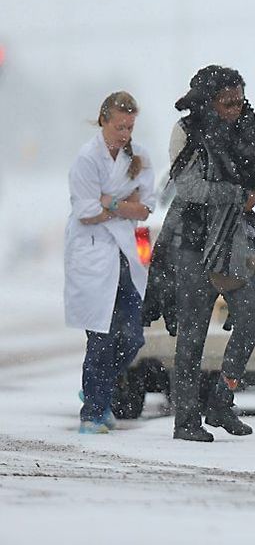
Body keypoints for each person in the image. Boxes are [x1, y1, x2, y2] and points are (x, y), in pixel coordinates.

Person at [143, 65, 255, 442]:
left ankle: (221, 401)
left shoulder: (248, 129)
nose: (235, 108)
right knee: (192, 336)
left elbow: (254, 175)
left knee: (250, 324)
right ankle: (186, 421)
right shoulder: (187, 132)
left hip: (236, 238)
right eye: (227, 101)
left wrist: (253, 192)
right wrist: (235, 195)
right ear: (208, 101)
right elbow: (188, 188)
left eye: (239, 99)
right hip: (192, 241)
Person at [65, 91, 156, 434]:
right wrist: (123, 204)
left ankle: (97, 387)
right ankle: (92, 411)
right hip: (93, 255)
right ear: (104, 119)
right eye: (119, 126)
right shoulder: (87, 159)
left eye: (130, 127)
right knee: (100, 338)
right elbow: (86, 213)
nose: (125, 134)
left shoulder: (140, 156)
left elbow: (146, 207)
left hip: (125, 258)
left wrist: (111, 204)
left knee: (132, 338)